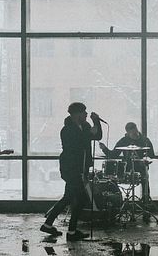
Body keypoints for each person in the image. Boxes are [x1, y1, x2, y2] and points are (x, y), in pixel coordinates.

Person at [40, 102, 102, 241]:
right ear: (76, 114)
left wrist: (96, 121)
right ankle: (71, 231)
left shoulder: (84, 126)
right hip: (72, 168)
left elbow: (97, 136)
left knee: (69, 197)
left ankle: (49, 225)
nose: (86, 114)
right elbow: (75, 146)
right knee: (81, 198)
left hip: (81, 167)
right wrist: (88, 134)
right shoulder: (67, 130)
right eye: (83, 112)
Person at [100, 122, 156, 200]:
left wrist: (146, 160)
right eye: (132, 133)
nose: (135, 134)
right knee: (112, 179)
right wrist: (104, 149)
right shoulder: (123, 141)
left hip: (140, 167)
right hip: (126, 168)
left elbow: (152, 155)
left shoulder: (145, 140)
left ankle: (145, 200)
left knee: (145, 177)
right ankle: (118, 199)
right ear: (127, 133)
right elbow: (114, 155)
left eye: (135, 131)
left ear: (137, 129)